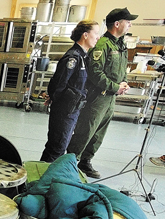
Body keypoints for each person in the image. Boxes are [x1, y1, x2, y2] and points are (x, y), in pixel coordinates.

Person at [66, 7, 138, 178]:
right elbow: (95, 72)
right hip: (97, 96)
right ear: (117, 24)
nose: (129, 26)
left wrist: (124, 83)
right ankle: (68, 162)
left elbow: (121, 69)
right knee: (86, 130)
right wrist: (115, 86)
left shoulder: (120, 45)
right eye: (128, 22)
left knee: (99, 133)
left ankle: (85, 161)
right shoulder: (102, 44)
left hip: (110, 98)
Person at [40, 20, 100, 163]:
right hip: (65, 109)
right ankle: (42, 179)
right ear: (85, 35)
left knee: (59, 146)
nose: (98, 37)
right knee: (57, 147)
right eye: (96, 33)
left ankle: (45, 176)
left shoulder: (83, 57)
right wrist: (55, 100)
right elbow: (59, 83)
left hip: (72, 109)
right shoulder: (73, 57)